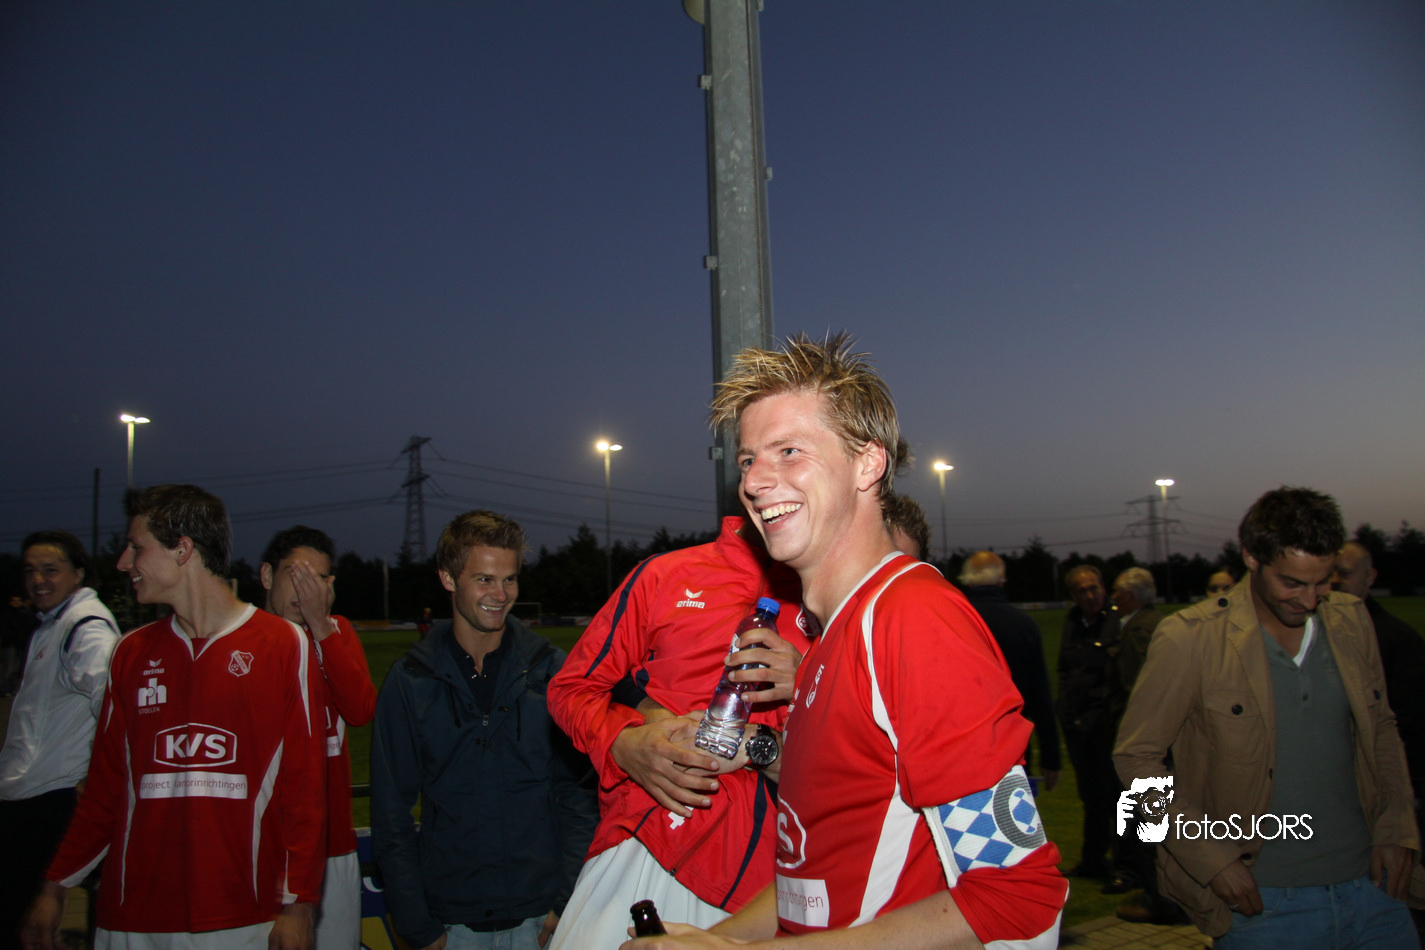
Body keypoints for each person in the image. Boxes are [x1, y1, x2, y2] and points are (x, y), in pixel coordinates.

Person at [630, 333, 1065, 950]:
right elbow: (814, 874)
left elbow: (1018, 897)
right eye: (748, 460)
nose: (755, 481)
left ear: (868, 463)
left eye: (789, 451)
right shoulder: (828, 639)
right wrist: (718, 941)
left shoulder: (913, 619)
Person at [24, 485, 327, 950]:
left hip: (242, 918)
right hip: (131, 918)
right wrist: (55, 885)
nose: (123, 563)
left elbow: (304, 791)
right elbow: (105, 789)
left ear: (182, 550)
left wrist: (299, 904)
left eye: (136, 547)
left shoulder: (284, 645)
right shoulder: (130, 652)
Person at [1115, 486, 1419, 946]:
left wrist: (1397, 829)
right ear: (1252, 558)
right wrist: (1209, 859)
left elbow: (1381, 729)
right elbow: (1135, 758)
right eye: (1292, 583)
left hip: (1374, 892)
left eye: (1323, 581)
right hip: (1264, 905)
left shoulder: (1353, 619)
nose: (1310, 600)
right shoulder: (1190, 637)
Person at [545, 514, 807, 950]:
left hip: (764, 887)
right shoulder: (664, 574)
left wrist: (785, 714)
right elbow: (571, 688)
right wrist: (622, 742)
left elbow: (847, 769)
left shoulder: (827, 600)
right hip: (640, 846)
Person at [371, 510, 597, 950]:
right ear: (448, 578)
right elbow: (390, 814)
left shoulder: (551, 672)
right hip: (449, 924)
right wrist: (418, 926)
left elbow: (580, 798)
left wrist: (567, 900)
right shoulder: (410, 680)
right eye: (484, 580)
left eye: (509, 579)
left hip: (542, 919)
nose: (500, 594)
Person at [259, 526, 376, 950]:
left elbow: (360, 710)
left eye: (318, 579)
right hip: (258, 848)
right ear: (267, 575)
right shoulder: (244, 640)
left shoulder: (336, 632)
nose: (305, 589)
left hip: (331, 845)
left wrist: (322, 628)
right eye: (296, 575)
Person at [1, 532, 119, 950]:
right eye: (30, 571)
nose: (38, 580)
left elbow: (112, 697)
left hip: (49, 801)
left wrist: (98, 774)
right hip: (32, 797)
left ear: (79, 573)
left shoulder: (85, 627)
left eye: (50, 570)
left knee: (26, 923)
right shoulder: (53, 624)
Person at [958, 551, 1061, 794]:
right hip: (1014, 753)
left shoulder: (953, 620)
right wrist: (1051, 757)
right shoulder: (1024, 624)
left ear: (968, 579)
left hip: (963, 753)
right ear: (1002, 580)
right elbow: (1040, 696)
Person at [1056, 564, 1125, 881]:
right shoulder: (1073, 622)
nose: (1090, 595)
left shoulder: (1117, 621)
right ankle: (1093, 859)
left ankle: (1124, 865)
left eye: (1094, 588)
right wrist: (1066, 712)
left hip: (1107, 724)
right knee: (1091, 796)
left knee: (1117, 797)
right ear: (1073, 596)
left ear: (1104, 588)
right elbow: (1065, 670)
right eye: (1082, 591)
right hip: (1078, 725)